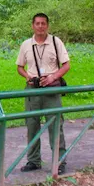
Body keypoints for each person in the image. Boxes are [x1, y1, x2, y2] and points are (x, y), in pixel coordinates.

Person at [16, 13, 71, 174]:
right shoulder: (26, 44)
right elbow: (19, 67)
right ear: (32, 26)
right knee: (32, 125)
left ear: (47, 25)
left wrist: (53, 77)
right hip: (33, 89)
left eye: (43, 23)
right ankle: (33, 160)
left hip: (51, 89)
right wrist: (28, 77)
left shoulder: (55, 42)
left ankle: (59, 161)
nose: (40, 26)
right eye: (37, 23)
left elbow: (66, 65)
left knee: (55, 125)